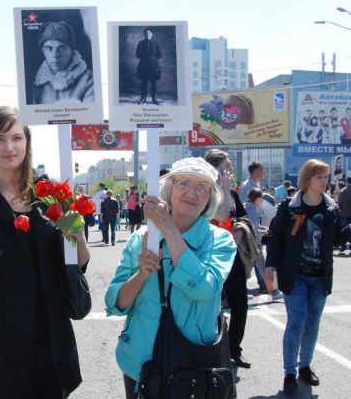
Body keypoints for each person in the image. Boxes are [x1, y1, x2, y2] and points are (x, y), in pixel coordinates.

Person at [0, 106, 90, 399]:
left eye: (16, 137)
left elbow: (77, 264)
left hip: (50, 336)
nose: (9, 147)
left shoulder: (51, 194)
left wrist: (75, 234)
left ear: (27, 141)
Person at [105, 157, 236, 398]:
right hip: (140, 365)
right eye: (183, 183)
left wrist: (168, 228)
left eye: (202, 187)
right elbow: (115, 303)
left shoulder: (220, 240)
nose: (191, 193)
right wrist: (140, 276)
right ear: (169, 188)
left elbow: (203, 288)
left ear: (209, 198)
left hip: (192, 366)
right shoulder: (141, 239)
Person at [265, 159, 341, 394]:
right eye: (320, 177)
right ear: (307, 180)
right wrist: (270, 265)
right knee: (297, 322)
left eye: (326, 177)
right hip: (295, 274)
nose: (324, 181)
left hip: (320, 276)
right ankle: (290, 372)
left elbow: (337, 241)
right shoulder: (289, 207)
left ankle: (305, 367)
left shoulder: (331, 208)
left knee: (312, 324)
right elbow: (276, 237)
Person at [204, 149, 252, 368]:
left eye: (230, 166)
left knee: (240, 303)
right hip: (209, 254)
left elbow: (240, 216)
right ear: (215, 168)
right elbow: (220, 216)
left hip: (232, 254)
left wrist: (241, 229)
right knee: (209, 303)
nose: (231, 170)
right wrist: (222, 186)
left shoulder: (231, 193)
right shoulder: (204, 191)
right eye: (226, 166)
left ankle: (235, 349)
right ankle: (211, 349)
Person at [32, 21, 94, 105]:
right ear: (43, 52)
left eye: (61, 48)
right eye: (49, 48)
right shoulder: (39, 84)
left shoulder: (89, 80)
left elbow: (90, 115)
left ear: (72, 50)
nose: (55, 55)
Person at [245, 188, 284, 300]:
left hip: (250, 242)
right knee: (265, 268)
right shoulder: (252, 210)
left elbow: (251, 226)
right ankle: (274, 292)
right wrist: (265, 231)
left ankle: (274, 291)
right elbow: (254, 230)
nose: (263, 199)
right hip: (254, 243)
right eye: (262, 197)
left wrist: (260, 228)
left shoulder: (249, 208)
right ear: (257, 198)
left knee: (245, 268)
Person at [136, 28, 162, 105]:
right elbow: (137, 54)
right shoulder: (140, 43)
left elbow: (159, 54)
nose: (148, 35)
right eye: (146, 33)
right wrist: (145, 59)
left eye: (149, 33)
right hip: (143, 66)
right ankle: (143, 98)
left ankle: (154, 98)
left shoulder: (155, 43)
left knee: (153, 82)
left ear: (152, 34)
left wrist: (153, 59)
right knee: (143, 82)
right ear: (144, 34)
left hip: (153, 66)